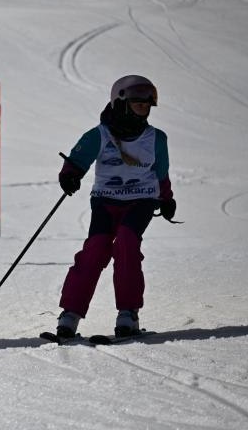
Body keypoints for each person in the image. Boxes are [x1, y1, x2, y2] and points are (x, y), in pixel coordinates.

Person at [54, 75, 177, 338]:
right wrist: (70, 174)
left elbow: (161, 174)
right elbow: (77, 159)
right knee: (95, 250)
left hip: (141, 200)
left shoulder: (156, 139)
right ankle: (70, 315)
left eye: (147, 104)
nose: (144, 107)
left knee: (126, 244)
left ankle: (128, 314)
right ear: (120, 102)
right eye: (138, 103)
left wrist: (166, 199)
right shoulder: (99, 135)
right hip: (105, 202)